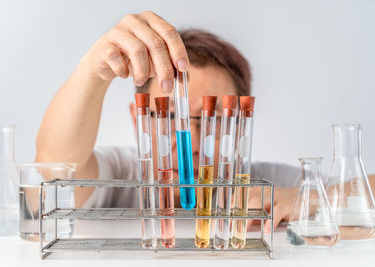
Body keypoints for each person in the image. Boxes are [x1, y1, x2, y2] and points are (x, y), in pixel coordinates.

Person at [36, 11, 374, 232]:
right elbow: (53, 165)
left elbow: (366, 189)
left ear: (240, 124)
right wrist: (93, 70)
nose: (193, 143)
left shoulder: (264, 185)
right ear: (138, 116)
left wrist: (306, 201)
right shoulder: (121, 172)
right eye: (171, 117)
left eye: (211, 121)